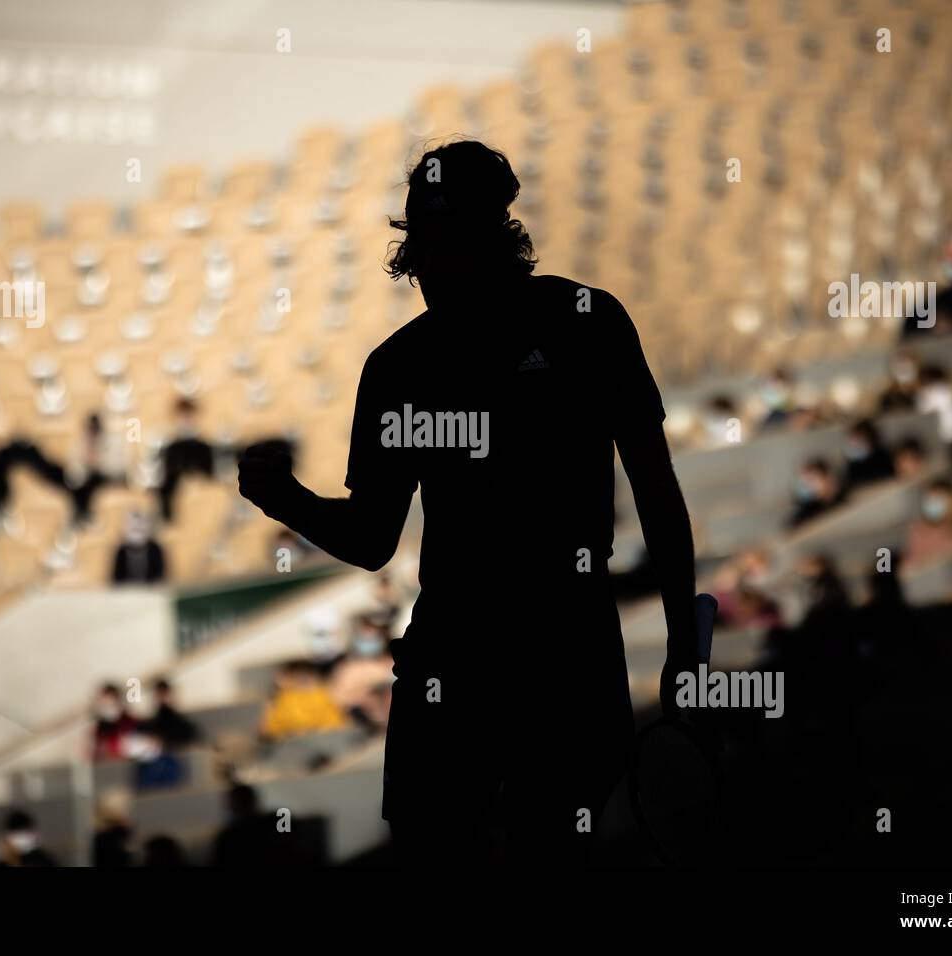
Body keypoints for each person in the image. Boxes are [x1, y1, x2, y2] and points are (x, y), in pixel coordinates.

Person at [238, 140, 697, 865]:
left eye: (437, 253)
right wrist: (683, 644)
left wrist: (280, 496)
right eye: (423, 258)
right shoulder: (581, 319)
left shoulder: (421, 360)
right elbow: (657, 491)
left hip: (500, 649)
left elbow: (369, 541)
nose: (427, 276)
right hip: (545, 643)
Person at [157, 397, 216, 522]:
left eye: (189, 417)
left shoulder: (204, 448)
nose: (186, 421)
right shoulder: (169, 449)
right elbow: (165, 484)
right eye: (183, 417)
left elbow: (210, 478)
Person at [902, 479, 952, 568]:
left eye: (937, 500)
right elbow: (908, 563)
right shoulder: (918, 529)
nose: (932, 504)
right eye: (929, 500)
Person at [110, 511, 167, 585]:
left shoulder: (155, 549)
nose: (137, 531)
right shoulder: (121, 551)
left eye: (140, 529)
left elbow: (159, 576)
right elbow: (116, 577)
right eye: (134, 529)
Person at [788, 458, 844, 527]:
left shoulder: (846, 496)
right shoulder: (806, 513)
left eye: (811, 480)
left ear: (827, 477)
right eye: (804, 483)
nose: (808, 486)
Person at [842, 419, 895, 490]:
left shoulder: (883, 457)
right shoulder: (853, 464)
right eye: (854, 440)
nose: (855, 444)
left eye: (859, 439)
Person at [91, 683, 137, 760]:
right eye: (104, 700)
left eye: (108, 699)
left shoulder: (126, 719)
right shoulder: (101, 722)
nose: (105, 703)